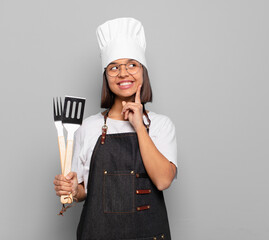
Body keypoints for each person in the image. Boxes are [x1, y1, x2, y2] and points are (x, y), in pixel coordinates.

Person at [53, 17, 178, 240]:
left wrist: (139, 126)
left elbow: (163, 180)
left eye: (132, 64)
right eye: (114, 67)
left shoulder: (160, 125)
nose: (123, 73)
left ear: (143, 71)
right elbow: (82, 191)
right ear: (106, 76)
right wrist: (72, 190)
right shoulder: (88, 127)